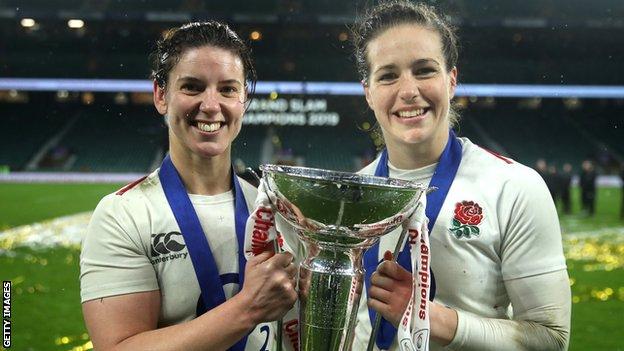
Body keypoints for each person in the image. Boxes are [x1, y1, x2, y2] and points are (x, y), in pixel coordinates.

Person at [350, 2, 571, 350]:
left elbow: (551, 339)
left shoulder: (513, 187)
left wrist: (428, 317)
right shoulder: (348, 198)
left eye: (424, 70)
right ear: (368, 92)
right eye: (388, 75)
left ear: (451, 81)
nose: (408, 90)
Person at [80, 21, 297, 350]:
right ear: (160, 95)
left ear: (244, 99)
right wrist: (247, 309)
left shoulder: (275, 207)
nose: (211, 105)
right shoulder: (123, 215)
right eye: (193, 87)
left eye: (227, 89)